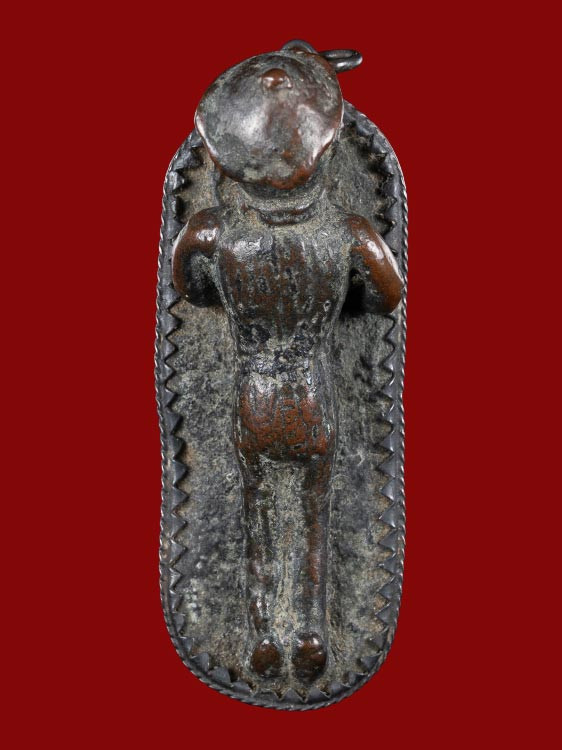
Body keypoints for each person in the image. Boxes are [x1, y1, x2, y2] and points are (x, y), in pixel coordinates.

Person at [172, 44, 403, 683]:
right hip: (313, 397)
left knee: (258, 509)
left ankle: (261, 632)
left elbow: (189, 289)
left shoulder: (213, 231)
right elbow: (387, 296)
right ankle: (309, 630)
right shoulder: (349, 233)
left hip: (254, 397)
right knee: (312, 514)